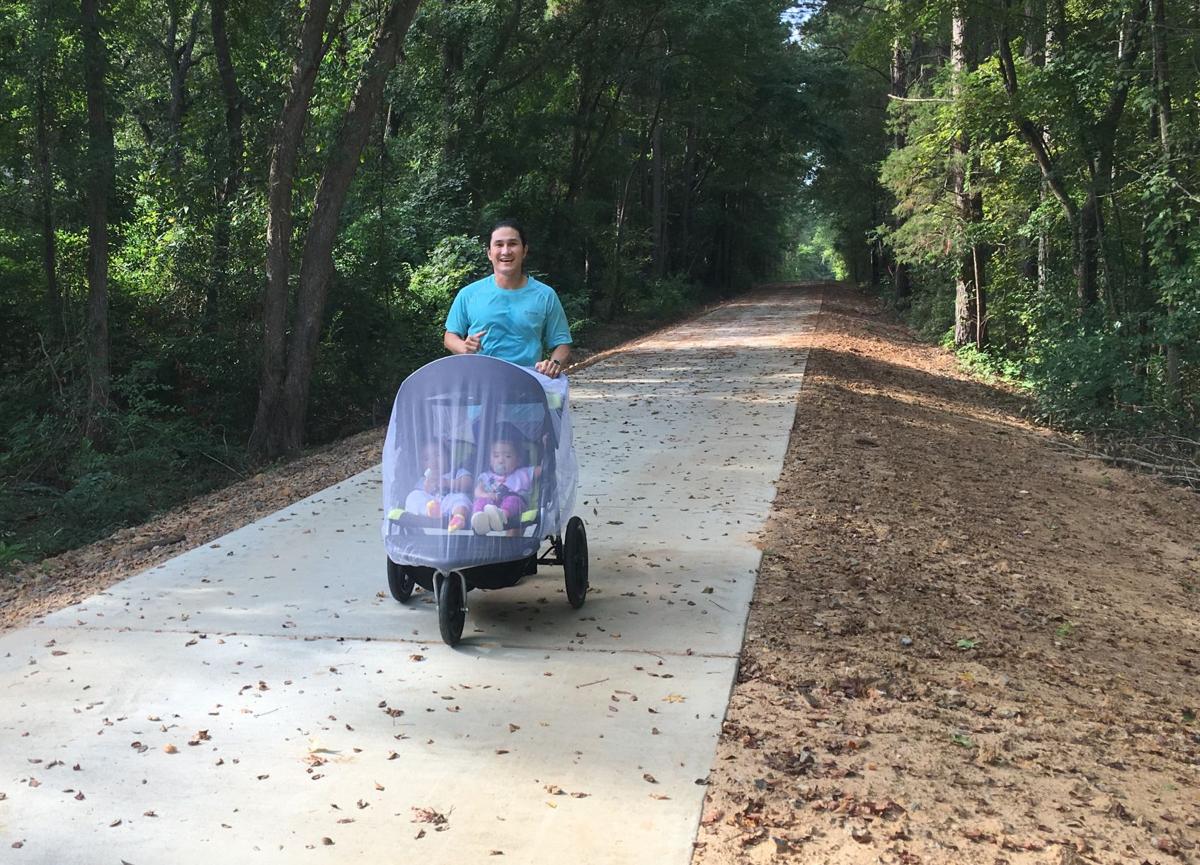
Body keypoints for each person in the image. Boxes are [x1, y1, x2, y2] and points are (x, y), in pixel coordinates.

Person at [443, 220, 572, 377]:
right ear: (489, 253)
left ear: (524, 251)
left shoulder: (545, 295)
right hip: (478, 388)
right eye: (499, 244)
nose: (506, 251)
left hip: (527, 387)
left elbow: (562, 343)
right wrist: (463, 347)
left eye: (512, 244)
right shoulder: (469, 294)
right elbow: (450, 336)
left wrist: (553, 364)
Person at [470, 436, 537, 535]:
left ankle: (501, 517)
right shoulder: (486, 476)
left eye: (508, 456)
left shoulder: (522, 473)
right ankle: (479, 519)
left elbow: (543, 469)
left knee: (513, 500)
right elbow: (477, 491)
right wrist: (486, 495)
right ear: (490, 460)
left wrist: (545, 448)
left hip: (514, 508)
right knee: (481, 501)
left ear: (518, 461)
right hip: (491, 505)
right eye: (496, 456)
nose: (501, 460)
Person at [404, 440, 473, 532]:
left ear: (448, 457)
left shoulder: (456, 472)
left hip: (449, 505)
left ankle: (458, 518)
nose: (433, 461)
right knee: (413, 496)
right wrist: (427, 487)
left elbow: (468, 483)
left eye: (437, 455)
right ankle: (430, 513)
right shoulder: (424, 479)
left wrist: (447, 482)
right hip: (432, 505)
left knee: (461, 498)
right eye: (426, 459)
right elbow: (422, 495)